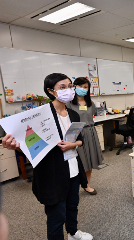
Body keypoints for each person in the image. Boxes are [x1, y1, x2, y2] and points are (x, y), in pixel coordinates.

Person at [2, 73, 93, 240]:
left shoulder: (74, 115)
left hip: (72, 169)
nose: (70, 90)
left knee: (73, 206)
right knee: (56, 216)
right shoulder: (40, 116)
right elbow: (31, 147)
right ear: (51, 91)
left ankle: (73, 232)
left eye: (70, 86)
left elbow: (79, 140)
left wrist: (74, 144)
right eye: (63, 87)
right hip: (52, 174)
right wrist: (16, 146)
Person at [66, 77, 104, 195]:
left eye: (85, 87)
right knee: (79, 161)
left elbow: (91, 116)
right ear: (74, 87)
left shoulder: (90, 103)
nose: (82, 89)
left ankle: (87, 185)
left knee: (90, 160)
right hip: (76, 135)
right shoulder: (69, 104)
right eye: (80, 86)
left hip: (90, 133)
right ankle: (73, 187)